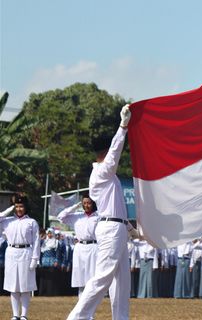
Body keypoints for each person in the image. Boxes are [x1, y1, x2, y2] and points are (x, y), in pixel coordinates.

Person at [67, 104, 140, 320]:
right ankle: (76, 318)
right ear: (105, 152)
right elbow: (115, 154)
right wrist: (123, 127)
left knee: (122, 281)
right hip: (110, 228)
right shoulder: (101, 172)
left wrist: (130, 229)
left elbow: (115, 208)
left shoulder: (108, 176)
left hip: (117, 226)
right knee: (103, 277)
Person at [0, 195, 40, 320]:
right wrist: (9, 209)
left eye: (21, 206)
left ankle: (23, 315)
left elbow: (37, 241)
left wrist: (35, 259)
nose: (19, 209)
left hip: (26, 252)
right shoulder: (7, 221)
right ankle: (15, 314)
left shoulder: (32, 222)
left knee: (25, 285)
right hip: (11, 252)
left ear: (25, 207)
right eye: (16, 206)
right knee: (13, 286)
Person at [56, 195, 99, 297]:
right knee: (80, 279)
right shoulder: (77, 216)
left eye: (89, 203)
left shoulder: (98, 217)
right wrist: (75, 207)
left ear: (93, 204)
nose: (86, 205)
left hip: (93, 247)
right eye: (84, 203)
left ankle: (90, 306)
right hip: (79, 247)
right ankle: (81, 305)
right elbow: (60, 216)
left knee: (92, 278)